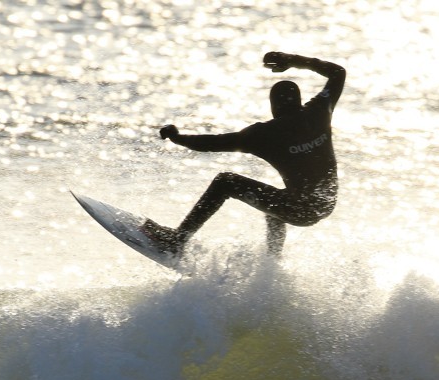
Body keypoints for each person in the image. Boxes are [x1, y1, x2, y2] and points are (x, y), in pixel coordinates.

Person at [142, 51, 346, 258]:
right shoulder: (320, 112)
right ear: (299, 102)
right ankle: (272, 262)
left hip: (298, 209)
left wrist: (178, 138)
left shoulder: (264, 134)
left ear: (274, 107)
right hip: (325, 204)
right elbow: (338, 72)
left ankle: (177, 240)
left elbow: (213, 143)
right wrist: (292, 60)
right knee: (275, 209)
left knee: (225, 182)